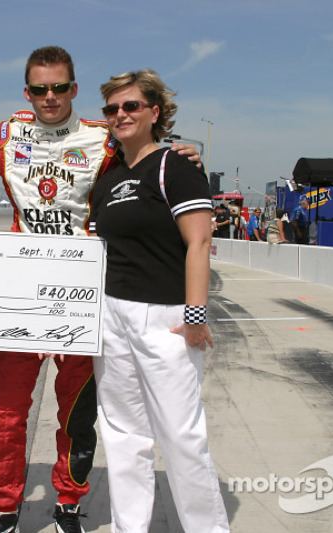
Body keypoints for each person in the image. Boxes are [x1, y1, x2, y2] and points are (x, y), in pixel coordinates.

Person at [0, 46, 201, 533]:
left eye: (59, 87)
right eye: (38, 88)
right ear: (27, 91)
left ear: (74, 89)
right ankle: (3, 508)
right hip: (19, 290)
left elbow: (148, 155)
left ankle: (69, 504)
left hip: (84, 294)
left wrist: (183, 149)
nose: (49, 97)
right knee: (6, 409)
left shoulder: (104, 138)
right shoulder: (7, 133)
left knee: (77, 411)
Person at [89, 69, 230, 533]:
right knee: (124, 435)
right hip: (113, 315)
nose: (120, 115)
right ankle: (131, 526)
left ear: (155, 112)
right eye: (112, 108)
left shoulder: (176, 166)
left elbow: (200, 243)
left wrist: (194, 316)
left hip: (165, 318)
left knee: (181, 436)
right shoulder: (108, 178)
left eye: (131, 106)